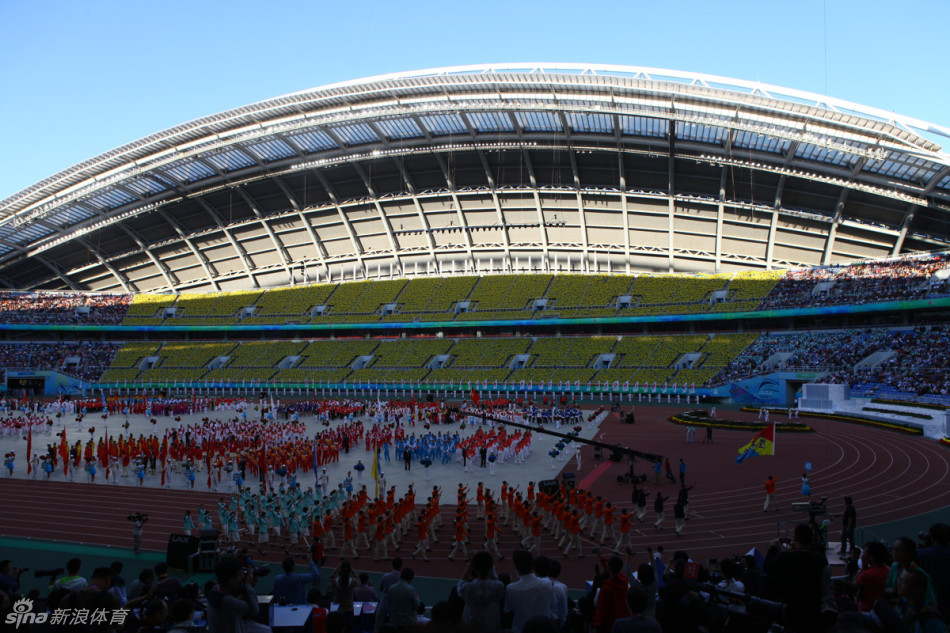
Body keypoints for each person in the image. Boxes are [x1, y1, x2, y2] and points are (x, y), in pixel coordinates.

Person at [207, 557, 271, 633]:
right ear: (231, 580)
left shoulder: (215, 590)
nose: (242, 577)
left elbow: (236, 598)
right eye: (240, 575)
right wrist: (248, 586)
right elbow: (254, 610)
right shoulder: (226, 601)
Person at [505, 550, 555, 633]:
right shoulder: (547, 583)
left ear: (516, 567)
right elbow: (553, 604)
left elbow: (508, 610)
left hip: (520, 629)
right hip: (544, 629)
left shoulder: (511, 588)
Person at [458, 551, 506, 633]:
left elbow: (461, 582)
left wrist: (470, 565)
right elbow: (495, 578)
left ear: (474, 568)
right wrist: (491, 567)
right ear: (491, 568)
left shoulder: (468, 588)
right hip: (493, 628)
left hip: (473, 629)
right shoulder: (499, 586)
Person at [593, 556, 629, 633]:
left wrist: (597, 624)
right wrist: (600, 555)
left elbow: (602, 607)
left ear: (609, 568)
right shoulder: (624, 581)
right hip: (623, 617)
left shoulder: (607, 587)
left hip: (610, 622)